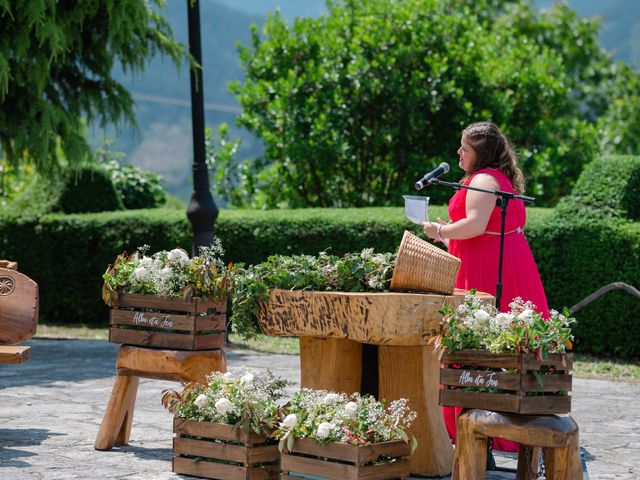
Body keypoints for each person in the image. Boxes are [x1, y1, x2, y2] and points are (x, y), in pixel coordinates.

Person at [422, 121, 549, 453]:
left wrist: (440, 231)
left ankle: (482, 420)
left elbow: (476, 225)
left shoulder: (483, 180)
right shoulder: (493, 178)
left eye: (464, 147)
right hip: (499, 259)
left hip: (488, 267)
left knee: (479, 338)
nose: (458, 152)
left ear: (480, 153)